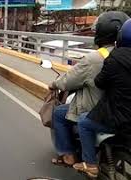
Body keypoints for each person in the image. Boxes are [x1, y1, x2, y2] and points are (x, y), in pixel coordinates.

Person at [49, 11, 129, 167]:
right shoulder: (124, 55)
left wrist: (54, 84)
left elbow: (69, 81)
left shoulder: (95, 58)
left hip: (103, 110)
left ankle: (70, 155)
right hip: (124, 108)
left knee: (58, 113)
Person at [73, 18, 131, 178]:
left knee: (84, 122)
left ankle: (90, 164)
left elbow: (99, 82)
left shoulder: (115, 57)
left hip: (120, 118)